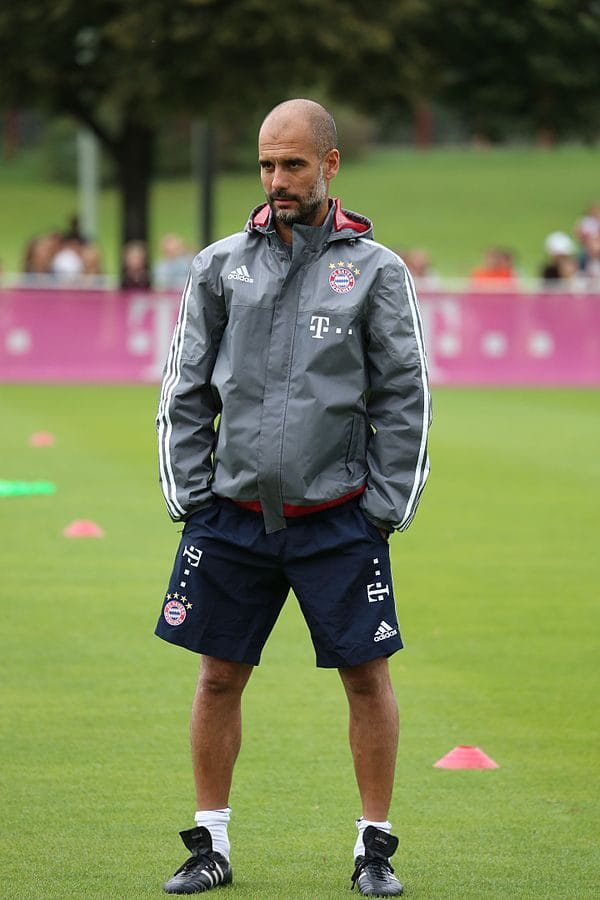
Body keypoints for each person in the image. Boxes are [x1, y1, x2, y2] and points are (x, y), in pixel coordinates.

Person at [155, 98, 431, 897]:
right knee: (216, 679)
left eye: (294, 165)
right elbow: (184, 389)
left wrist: (382, 509)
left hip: (338, 517)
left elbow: (404, 395)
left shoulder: (377, 271)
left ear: (330, 165)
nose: (277, 179)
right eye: (267, 164)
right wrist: (193, 497)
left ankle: (373, 849)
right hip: (233, 517)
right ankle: (210, 845)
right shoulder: (217, 265)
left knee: (366, 679)